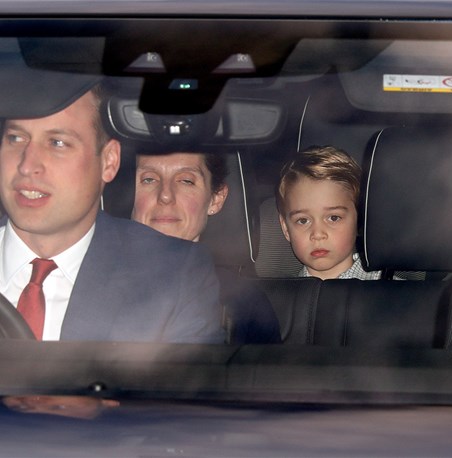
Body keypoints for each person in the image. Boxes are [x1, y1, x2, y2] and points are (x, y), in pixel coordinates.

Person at [0, 84, 226, 343]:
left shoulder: (171, 276)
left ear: (108, 161)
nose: (27, 165)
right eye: (15, 138)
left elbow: (189, 382)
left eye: (57, 143)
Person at [131, 151, 281, 344]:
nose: (165, 195)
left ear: (215, 199)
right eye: (149, 179)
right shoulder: (90, 279)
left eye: (186, 181)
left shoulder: (244, 305)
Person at [276, 145, 381, 280]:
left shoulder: (391, 293)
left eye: (333, 218)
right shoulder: (279, 297)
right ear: (285, 228)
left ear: (360, 220)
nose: (318, 234)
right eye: (303, 220)